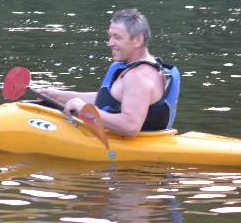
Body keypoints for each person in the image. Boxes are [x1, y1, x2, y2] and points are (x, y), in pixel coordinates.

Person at [35, 8, 181, 137]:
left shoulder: (138, 77)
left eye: (117, 37)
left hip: (133, 154)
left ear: (137, 40)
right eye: (110, 36)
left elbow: (130, 126)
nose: (110, 43)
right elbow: (110, 100)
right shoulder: (141, 67)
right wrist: (59, 95)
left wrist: (85, 110)